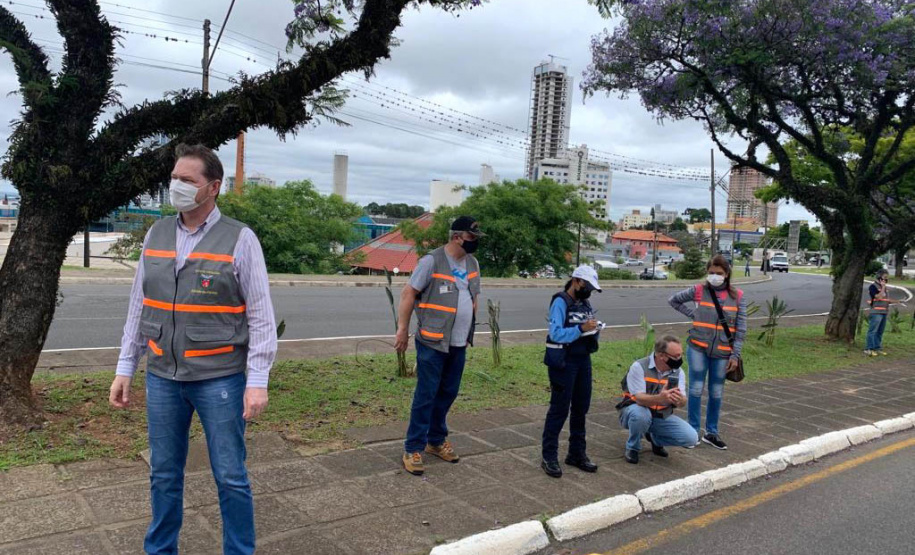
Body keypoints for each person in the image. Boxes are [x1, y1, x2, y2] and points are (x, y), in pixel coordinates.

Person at [109, 144, 277, 555]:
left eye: (187, 180)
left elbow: (261, 315)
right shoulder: (157, 233)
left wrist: (257, 381)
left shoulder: (240, 238)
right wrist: (125, 366)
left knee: (230, 476)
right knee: (163, 474)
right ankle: (160, 549)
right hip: (162, 376)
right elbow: (139, 304)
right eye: (174, 178)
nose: (176, 186)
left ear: (213, 187)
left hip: (219, 378)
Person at [395, 216, 484, 476]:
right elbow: (408, 293)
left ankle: (435, 440)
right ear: (457, 237)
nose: (475, 242)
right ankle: (413, 447)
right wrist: (402, 329)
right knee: (426, 394)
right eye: (471, 237)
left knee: (448, 393)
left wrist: (468, 327)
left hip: (458, 342)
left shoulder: (472, 263)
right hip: (432, 341)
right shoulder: (431, 261)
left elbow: (473, 296)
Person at [668, 255, 747, 450]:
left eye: (719, 273)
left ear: (726, 274)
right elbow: (674, 300)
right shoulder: (698, 290)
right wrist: (693, 314)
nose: (714, 276)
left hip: (723, 352)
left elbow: (741, 329)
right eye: (711, 273)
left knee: (716, 392)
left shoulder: (738, 296)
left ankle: (711, 432)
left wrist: (735, 355)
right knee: (695, 389)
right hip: (698, 347)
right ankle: (693, 430)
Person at [540, 265, 603, 478]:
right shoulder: (560, 301)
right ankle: (549, 456)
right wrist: (580, 329)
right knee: (559, 409)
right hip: (564, 362)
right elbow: (556, 333)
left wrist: (594, 329)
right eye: (587, 287)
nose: (589, 292)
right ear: (576, 281)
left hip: (583, 359)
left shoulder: (585, 303)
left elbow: (585, 328)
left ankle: (576, 453)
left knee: (580, 408)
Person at [616, 335, 697, 464]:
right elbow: (639, 399)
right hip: (634, 412)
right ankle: (633, 447)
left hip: (660, 416)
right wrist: (660, 398)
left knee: (691, 438)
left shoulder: (679, 372)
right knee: (641, 415)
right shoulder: (639, 366)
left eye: (681, 355)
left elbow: (682, 402)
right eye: (676, 356)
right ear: (661, 355)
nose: (679, 359)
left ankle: (655, 440)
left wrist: (680, 400)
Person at [865, 269, 895, 357]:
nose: (886, 279)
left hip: (884, 312)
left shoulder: (885, 288)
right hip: (876, 312)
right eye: (885, 277)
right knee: (873, 331)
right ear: (879, 277)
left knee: (880, 331)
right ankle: (869, 348)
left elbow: (885, 299)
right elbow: (878, 297)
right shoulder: (873, 287)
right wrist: (883, 287)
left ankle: (877, 348)